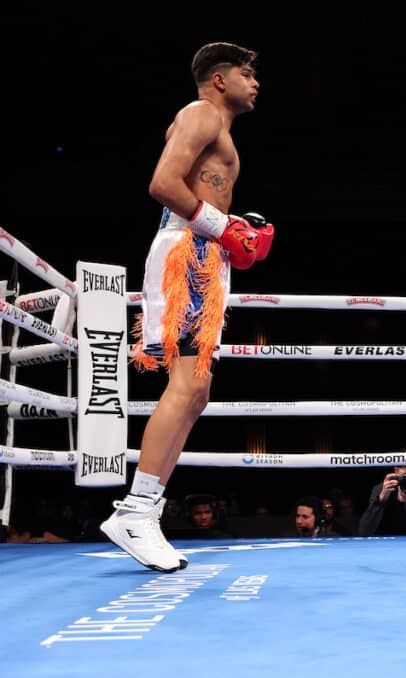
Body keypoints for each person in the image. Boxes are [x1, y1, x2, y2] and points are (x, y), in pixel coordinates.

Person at [99, 42, 274, 572]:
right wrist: (225, 228)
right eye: (247, 73)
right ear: (219, 80)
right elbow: (161, 185)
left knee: (197, 390)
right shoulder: (200, 114)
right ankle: (135, 510)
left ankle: (143, 509)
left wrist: (231, 226)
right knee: (188, 384)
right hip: (187, 250)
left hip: (203, 252)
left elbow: (197, 191)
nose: (256, 82)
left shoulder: (217, 129)